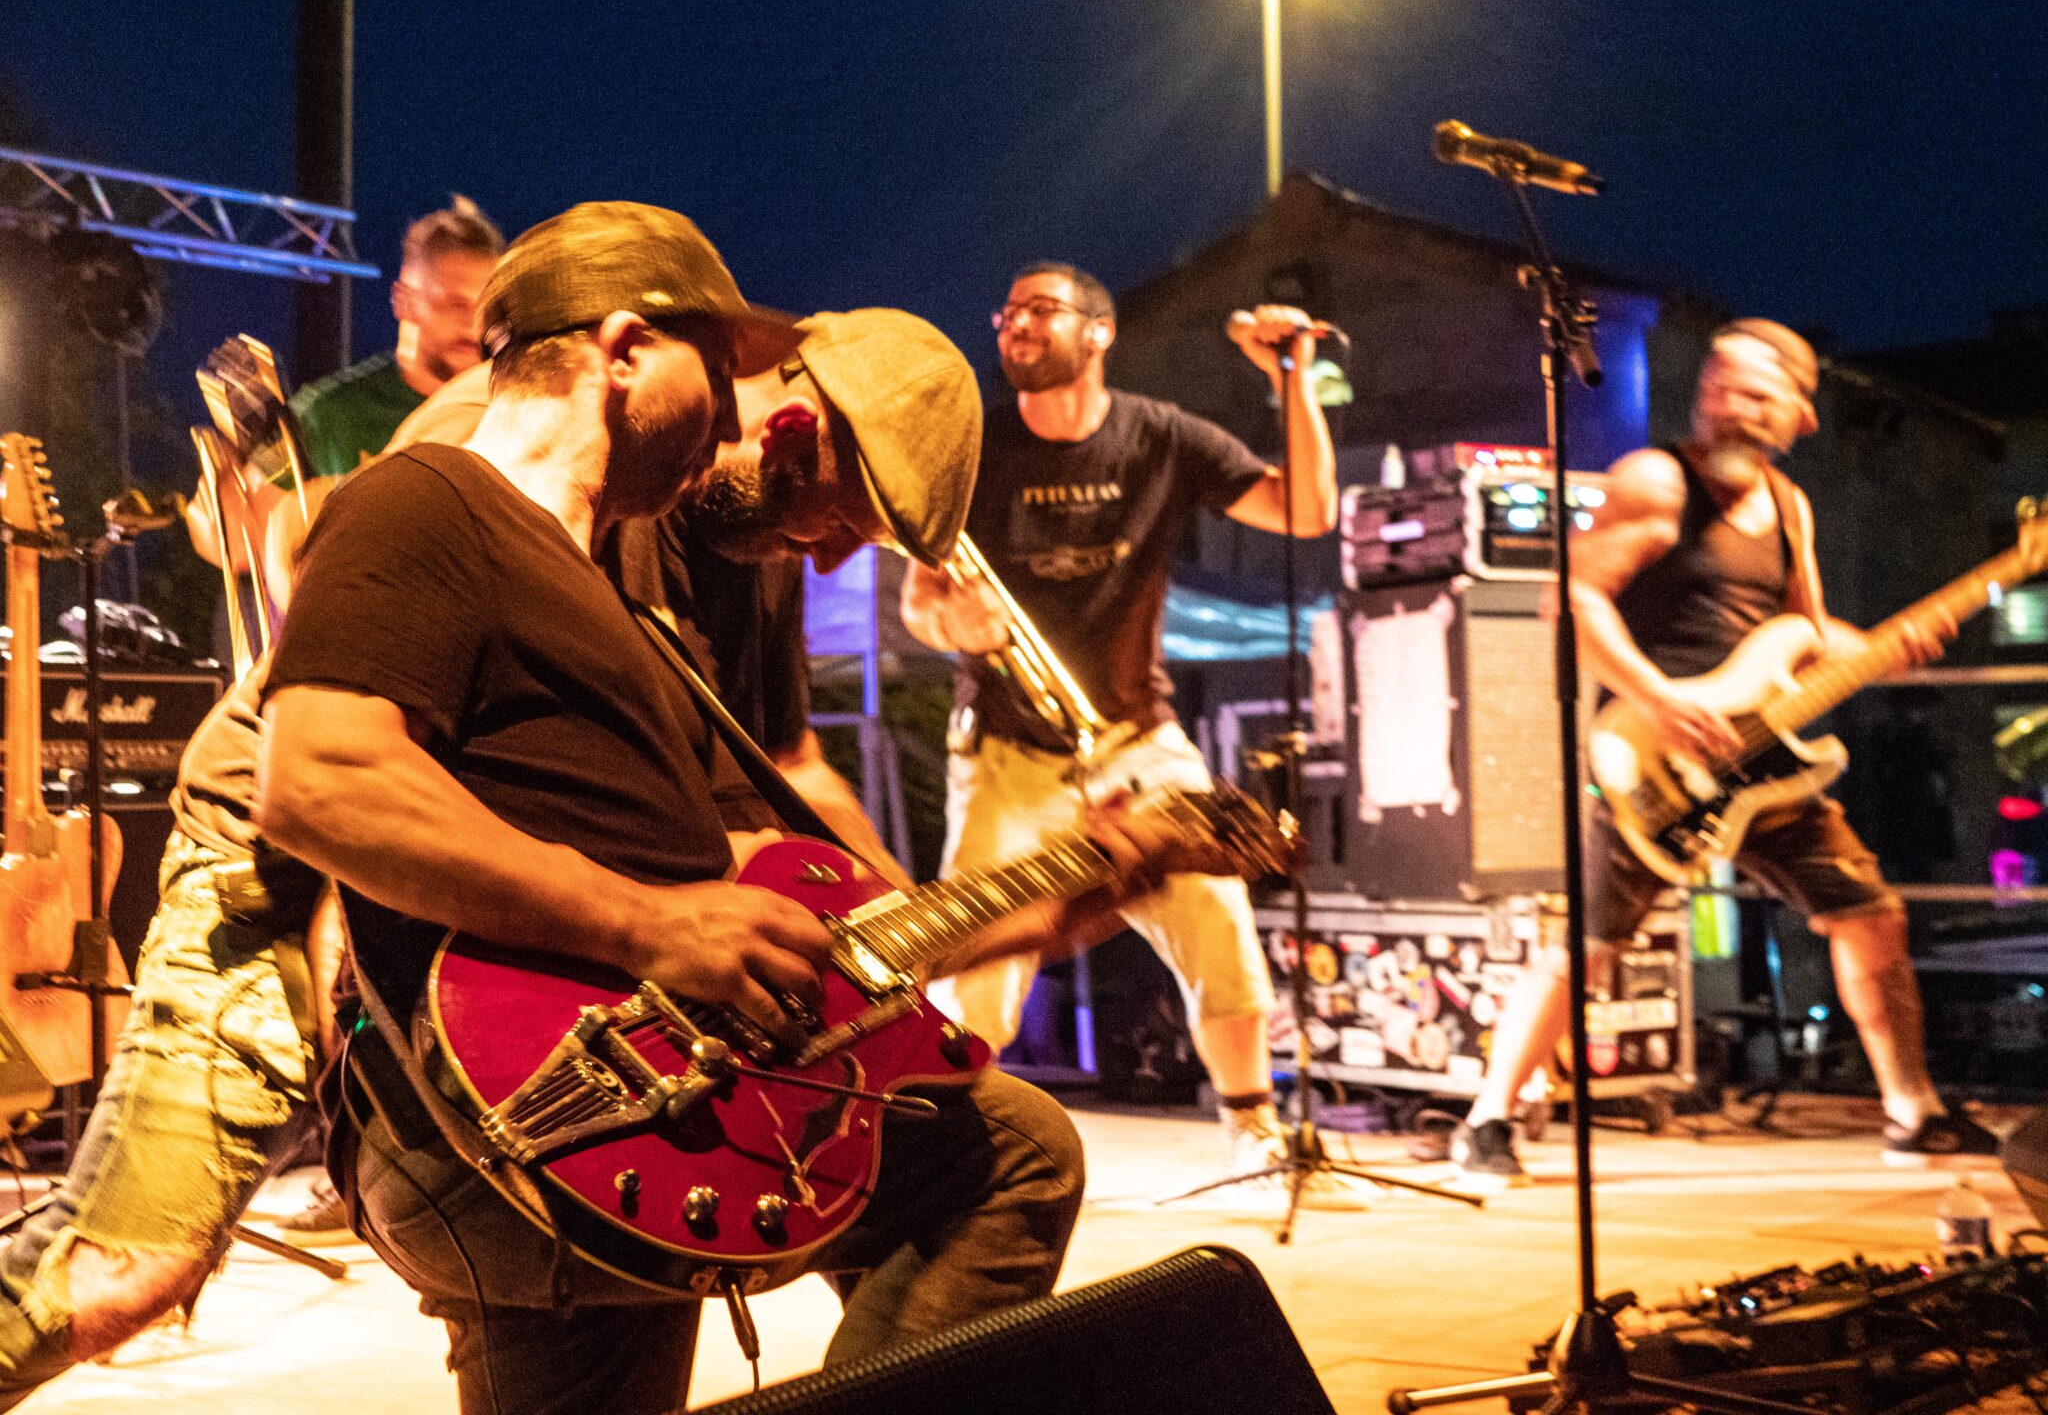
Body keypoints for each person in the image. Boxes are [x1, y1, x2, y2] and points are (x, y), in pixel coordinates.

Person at [256, 204, 1224, 1414]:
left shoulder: (599, 583)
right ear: (621, 349)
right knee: (1007, 1158)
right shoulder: (431, 499)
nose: (728, 417)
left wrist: (1026, 912)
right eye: (713, 375)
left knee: (1006, 1151)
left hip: (631, 1088)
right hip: (527, 1099)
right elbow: (316, 778)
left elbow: (765, 849)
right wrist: (645, 926)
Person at [1417, 319, 1999, 1184]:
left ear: (1800, 414)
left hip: (1765, 762)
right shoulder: (1656, 482)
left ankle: (1914, 1112)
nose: (1728, 407)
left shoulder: (1790, 508)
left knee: (1870, 913)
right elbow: (1573, 596)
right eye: (1717, 388)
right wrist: (1661, 696)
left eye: (1754, 395)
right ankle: (1488, 1119)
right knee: (1587, 947)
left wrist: (1885, 648)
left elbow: (1805, 632)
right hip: (1653, 758)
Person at [900, 260, 1337, 1179]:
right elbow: (919, 600)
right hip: (1008, 749)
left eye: (1040, 310)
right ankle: (940, 1156)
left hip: (1139, 740)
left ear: (1099, 331)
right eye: (1007, 313)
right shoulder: (974, 449)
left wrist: (1291, 377)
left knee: (1218, 926)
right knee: (976, 963)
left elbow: (1306, 509)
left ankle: (1258, 1137)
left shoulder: (1162, 437)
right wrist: (953, 625)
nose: (1016, 325)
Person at [185, 194, 505, 573]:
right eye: (455, 305)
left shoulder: (509, 407)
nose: (475, 327)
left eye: (487, 309)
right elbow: (239, 543)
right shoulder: (329, 413)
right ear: (403, 300)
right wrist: (236, 460)